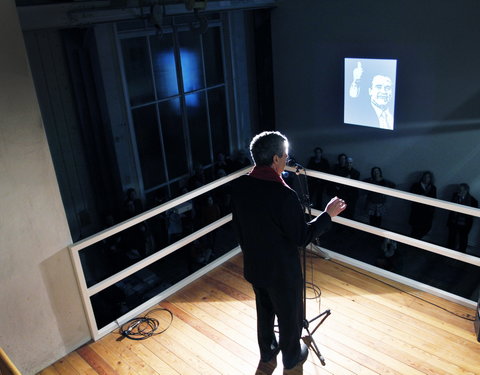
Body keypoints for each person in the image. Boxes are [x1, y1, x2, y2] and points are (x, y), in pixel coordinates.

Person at [231, 131, 346, 369]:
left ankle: (267, 351)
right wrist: (327, 216)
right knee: (289, 315)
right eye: (284, 154)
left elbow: (239, 226)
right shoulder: (284, 195)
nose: (286, 158)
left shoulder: (240, 185)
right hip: (282, 272)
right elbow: (302, 237)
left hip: (254, 264)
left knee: (264, 311)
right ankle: (292, 356)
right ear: (275, 159)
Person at [348, 62, 394, 130]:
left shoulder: (394, 114)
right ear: (370, 91)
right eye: (378, 87)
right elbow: (352, 96)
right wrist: (356, 80)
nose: (383, 91)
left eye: (387, 88)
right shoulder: (359, 113)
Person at [447, 183, 478, 253]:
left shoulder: (473, 201)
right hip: (453, 221)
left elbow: (472, 215)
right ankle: (448, 252)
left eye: (462, 190)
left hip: (464, 224)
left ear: (466, 191)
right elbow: (450, 207)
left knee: (463, 239)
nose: (460, 192)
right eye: (460, 190)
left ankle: (461, 254)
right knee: (451, 237)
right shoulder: (455, 196)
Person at [409, 171, 437, 239]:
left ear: (430, 178)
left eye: (428, 177)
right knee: (415, 228)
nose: (426, 178)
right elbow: (411, 195)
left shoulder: (433, 188)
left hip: (427, 212)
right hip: (417, 211)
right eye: (425, 176)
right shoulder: (416, 185)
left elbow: (434, 199)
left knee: (425, 228)